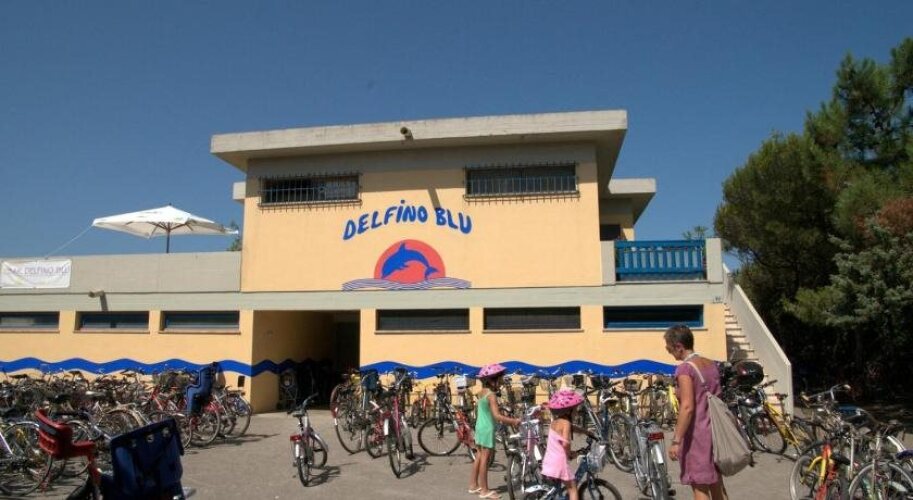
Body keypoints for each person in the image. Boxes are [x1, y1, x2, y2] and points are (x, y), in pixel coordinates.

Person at [665, 324, 729, 500]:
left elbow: (687, 407)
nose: (669, 352)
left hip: (697, 436)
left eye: (669, 348)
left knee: (699, 486)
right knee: (717, 484)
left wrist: (676, 440)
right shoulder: (711, 364)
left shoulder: (685, 369)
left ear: (679, 346)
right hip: (715, 432)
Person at [469, 363, 520, 499]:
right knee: (485, 459)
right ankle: (484, 490)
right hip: (487, 429)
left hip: (480, 427)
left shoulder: (482, 392)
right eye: (500, 379)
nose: (501, 382)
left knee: (479, 456)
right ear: (492, 381)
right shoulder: (491, 395)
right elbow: (497, 416)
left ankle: (473, 485)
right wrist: (513, 421)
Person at [540, 389, 590, 500]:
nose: (577, 411)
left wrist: (586, 432)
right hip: (560, 463)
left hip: (549, 461)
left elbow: (573, 428)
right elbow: (566, 443)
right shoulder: (566, 423)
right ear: (569, 410)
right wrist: (571, 454)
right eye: (575, 409)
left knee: (558, 490)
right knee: (572, 489)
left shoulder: (555, 422)